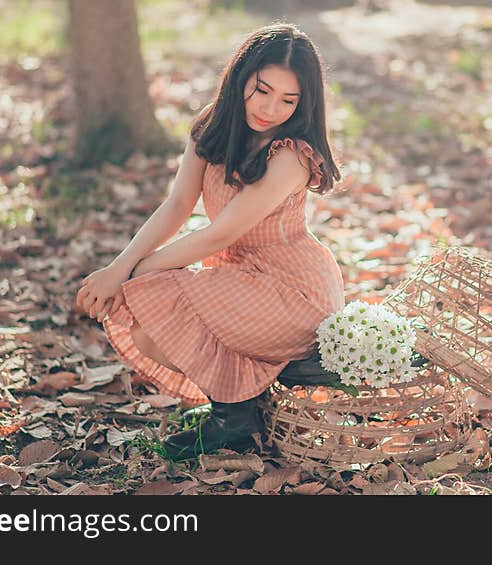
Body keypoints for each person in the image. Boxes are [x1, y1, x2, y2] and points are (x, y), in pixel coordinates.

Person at [74, 23, 345, 460]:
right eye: (262, 90)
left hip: (295, 290)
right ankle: (235, 415)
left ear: (304, 104)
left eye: (288, 100)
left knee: (148, 288)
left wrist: (136, 273)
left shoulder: (292, 154)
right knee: (146, 329)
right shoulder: (213, 124)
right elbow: (178, 204)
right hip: (239, 277)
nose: (271, 108)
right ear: (241, 77)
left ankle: (285, 369)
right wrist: (118, 267)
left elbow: (222, 232)